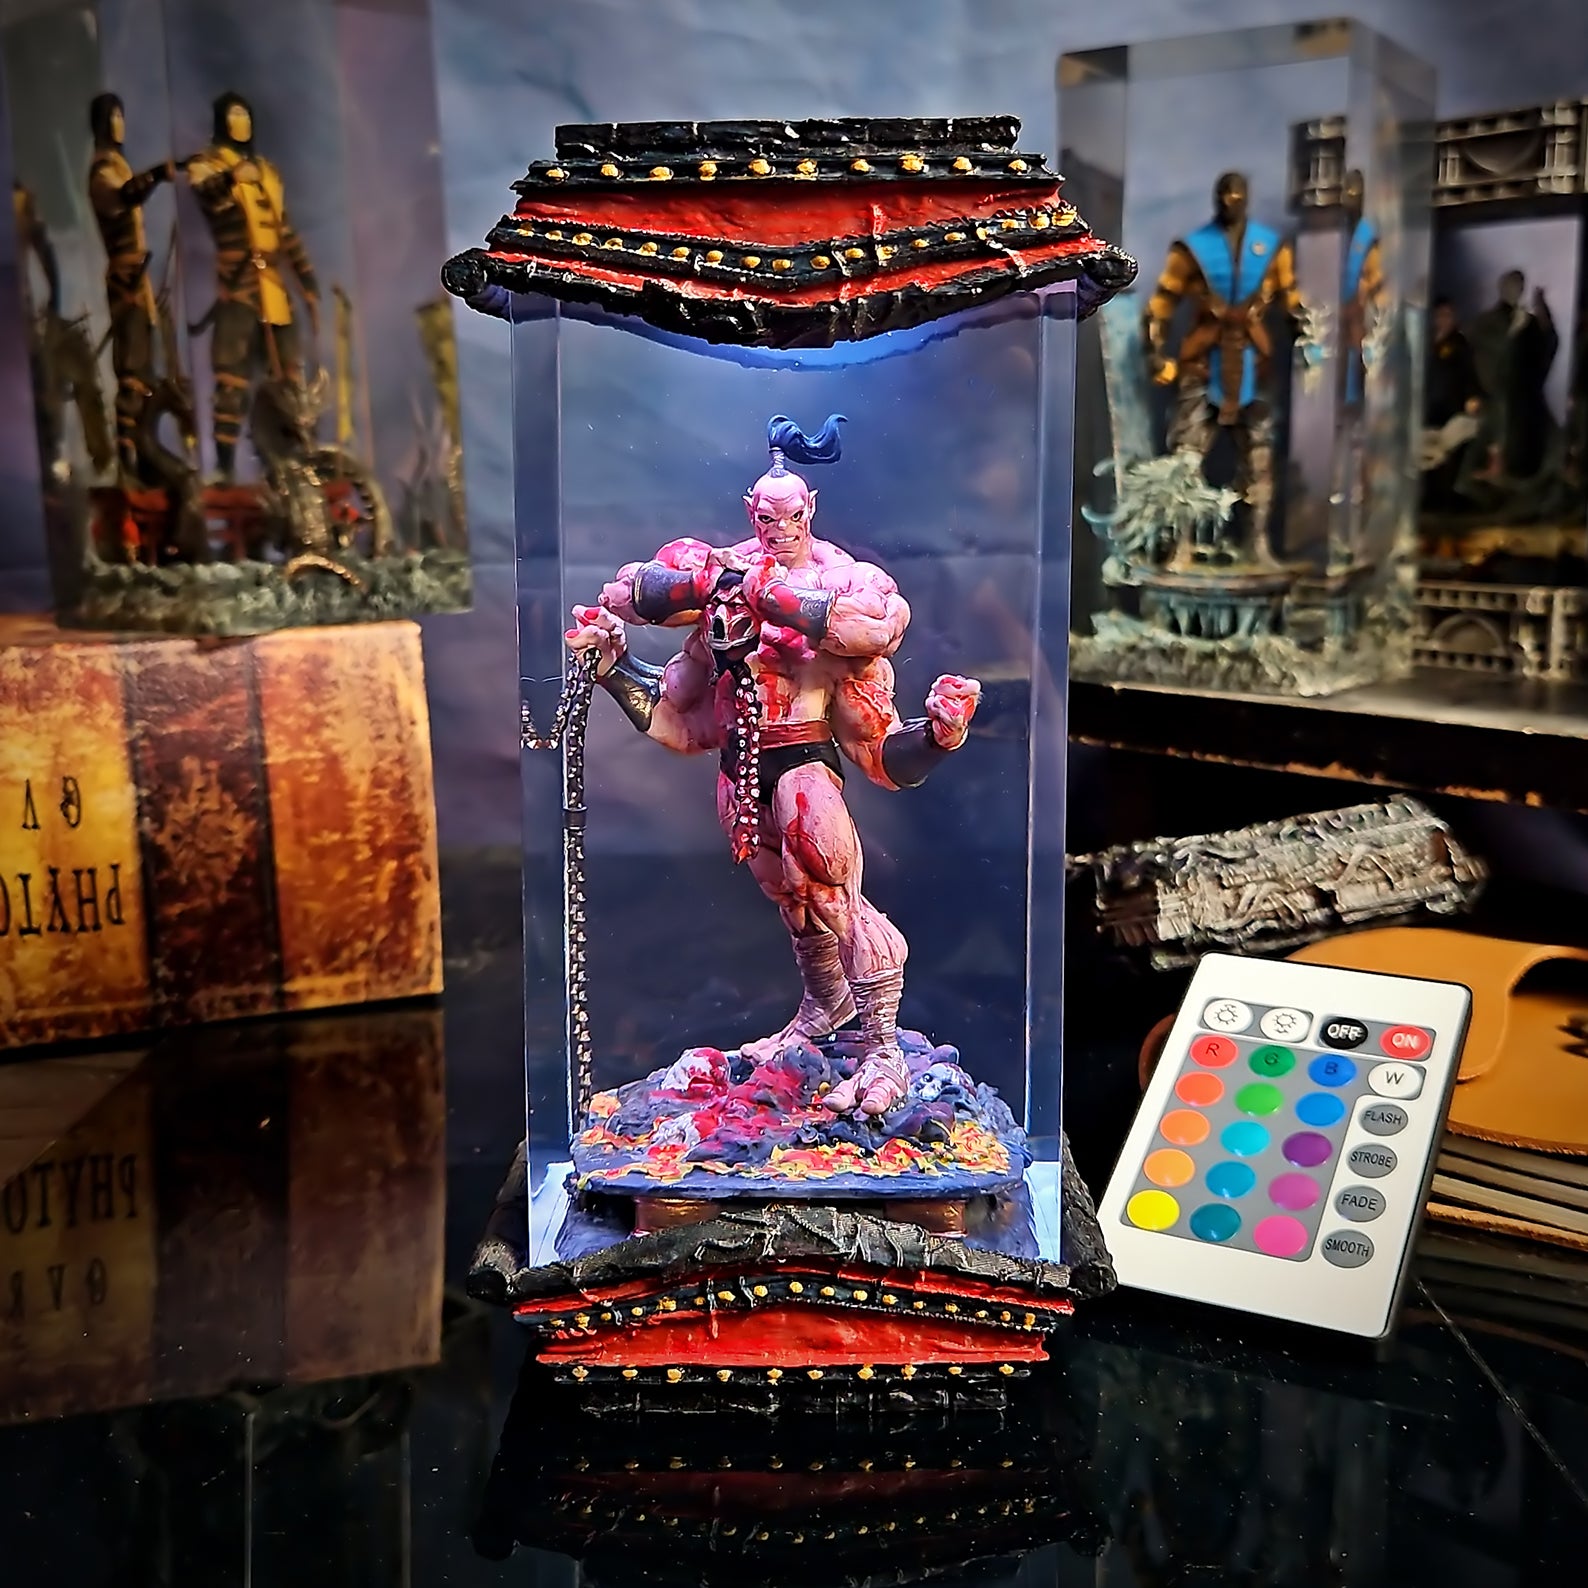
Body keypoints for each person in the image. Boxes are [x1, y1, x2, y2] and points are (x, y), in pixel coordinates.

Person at [565, 416, 981, 1117]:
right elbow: (679, 715)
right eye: (766, 517)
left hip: (804, 761)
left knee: (832, 897)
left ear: (810, 509)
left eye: (790, 516)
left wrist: (940, 735)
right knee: (791, 900)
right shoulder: (719, 577)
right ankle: (824, 1011)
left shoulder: (844, 582)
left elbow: (878, 720)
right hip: (740, 764)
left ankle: (883, 1052)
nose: (779, 528)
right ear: (750, 512)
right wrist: (611, 665)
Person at [1142, 172, 1312, 568]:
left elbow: (1293, 302)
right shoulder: (1192, 249)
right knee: (1185, 457)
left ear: (1246, 199)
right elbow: (1161, 304)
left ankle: (1257, 544)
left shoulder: (1272, 248)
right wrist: (1155, 351)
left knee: (1259, 458)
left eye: (1237, 195)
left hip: (1254, 361)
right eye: (1224, 194)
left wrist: (1308, 339)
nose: (1230, 201)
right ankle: (1181, 545)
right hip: (1203, 361)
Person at [185, 91, 318, 479]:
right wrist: (231, 177)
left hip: (274, 289)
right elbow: (206, 194)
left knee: (289, 380)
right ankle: (225, 469)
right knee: (231, 379)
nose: (241, 121)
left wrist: (307, 282)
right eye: (234, 114)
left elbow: (284, 231)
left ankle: (291, 464)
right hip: (240, 286)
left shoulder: (268, 172)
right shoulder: (207, 166)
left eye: (245, 113)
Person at [87, 92, 175, 474]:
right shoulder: (103, 170)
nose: (120, 124)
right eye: (114, 117)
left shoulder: (118, 164)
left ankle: (143, 449)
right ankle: (127, 457)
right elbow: (124, 196)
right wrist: (157, 175)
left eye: (122, 116)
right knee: (132, 368)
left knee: (144, 369)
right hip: (126, 280)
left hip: (138, 281)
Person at [1469, 269, 1559, 481]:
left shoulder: (1528, 321)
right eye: (1510, 285)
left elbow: (1547, 345)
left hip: (1524, 389)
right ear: (1501, 287)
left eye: (1519, 286)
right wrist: (1512, 332)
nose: (1514, 290)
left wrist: (1543, 314)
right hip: (1495, 388)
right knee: (1499, 411)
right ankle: (1495, 463)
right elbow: (1483, 350)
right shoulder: (1486, 321)